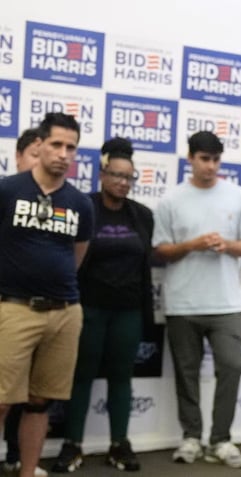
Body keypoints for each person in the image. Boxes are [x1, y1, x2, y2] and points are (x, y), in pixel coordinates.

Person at [152, 131, 241, 469]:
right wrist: (192, 245)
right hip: (183, 303)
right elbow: (161, 250)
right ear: (191, 159)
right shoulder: (171, 200)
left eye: (215, 159)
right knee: (186, 373)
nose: (210, 166)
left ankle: (221, 440)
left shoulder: (238, 197)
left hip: (226, 303)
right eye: (204, 159)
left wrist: (226, 245)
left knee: (231, 366)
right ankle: (191, 437)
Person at [0, 112, 94, 477]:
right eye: (56, 144)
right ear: (38, 146)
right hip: (15, 308)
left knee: (40, 402)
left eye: (71, 147)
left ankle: (27, 471)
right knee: (3, 400)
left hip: (65, 312)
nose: (63, 153)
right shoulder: (9, 189)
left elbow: (77, 256)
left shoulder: (80, 203)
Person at [51, 137, 153, 473]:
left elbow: (144, 265)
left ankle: (119, 445)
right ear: (102, 174)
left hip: (128, 311)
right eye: (117, 175)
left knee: (121, 378)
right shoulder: (84, 207)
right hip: (88, 308)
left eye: (129, 177)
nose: (123, 183)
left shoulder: (142, 215)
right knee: (81, 377)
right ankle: (72, 445)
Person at [1, 128, 47, 477]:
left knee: (33, 396)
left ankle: (19, 459)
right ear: (18, 157)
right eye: (33, 153)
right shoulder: (6, 193)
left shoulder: (57, 201)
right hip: (8, 307)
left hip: (46, 310)